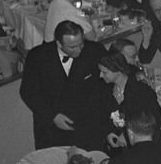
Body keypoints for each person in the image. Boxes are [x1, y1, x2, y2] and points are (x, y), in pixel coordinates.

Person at [20, 21, 111, 150]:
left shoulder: (94, 50)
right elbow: (28, 92)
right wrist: (52, 116)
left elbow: (109, 80)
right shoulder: (38, 56)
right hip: (52, 131)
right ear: (59, 44)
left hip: (88, 127)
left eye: (81, 44)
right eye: (72, 47)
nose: (79, 50)